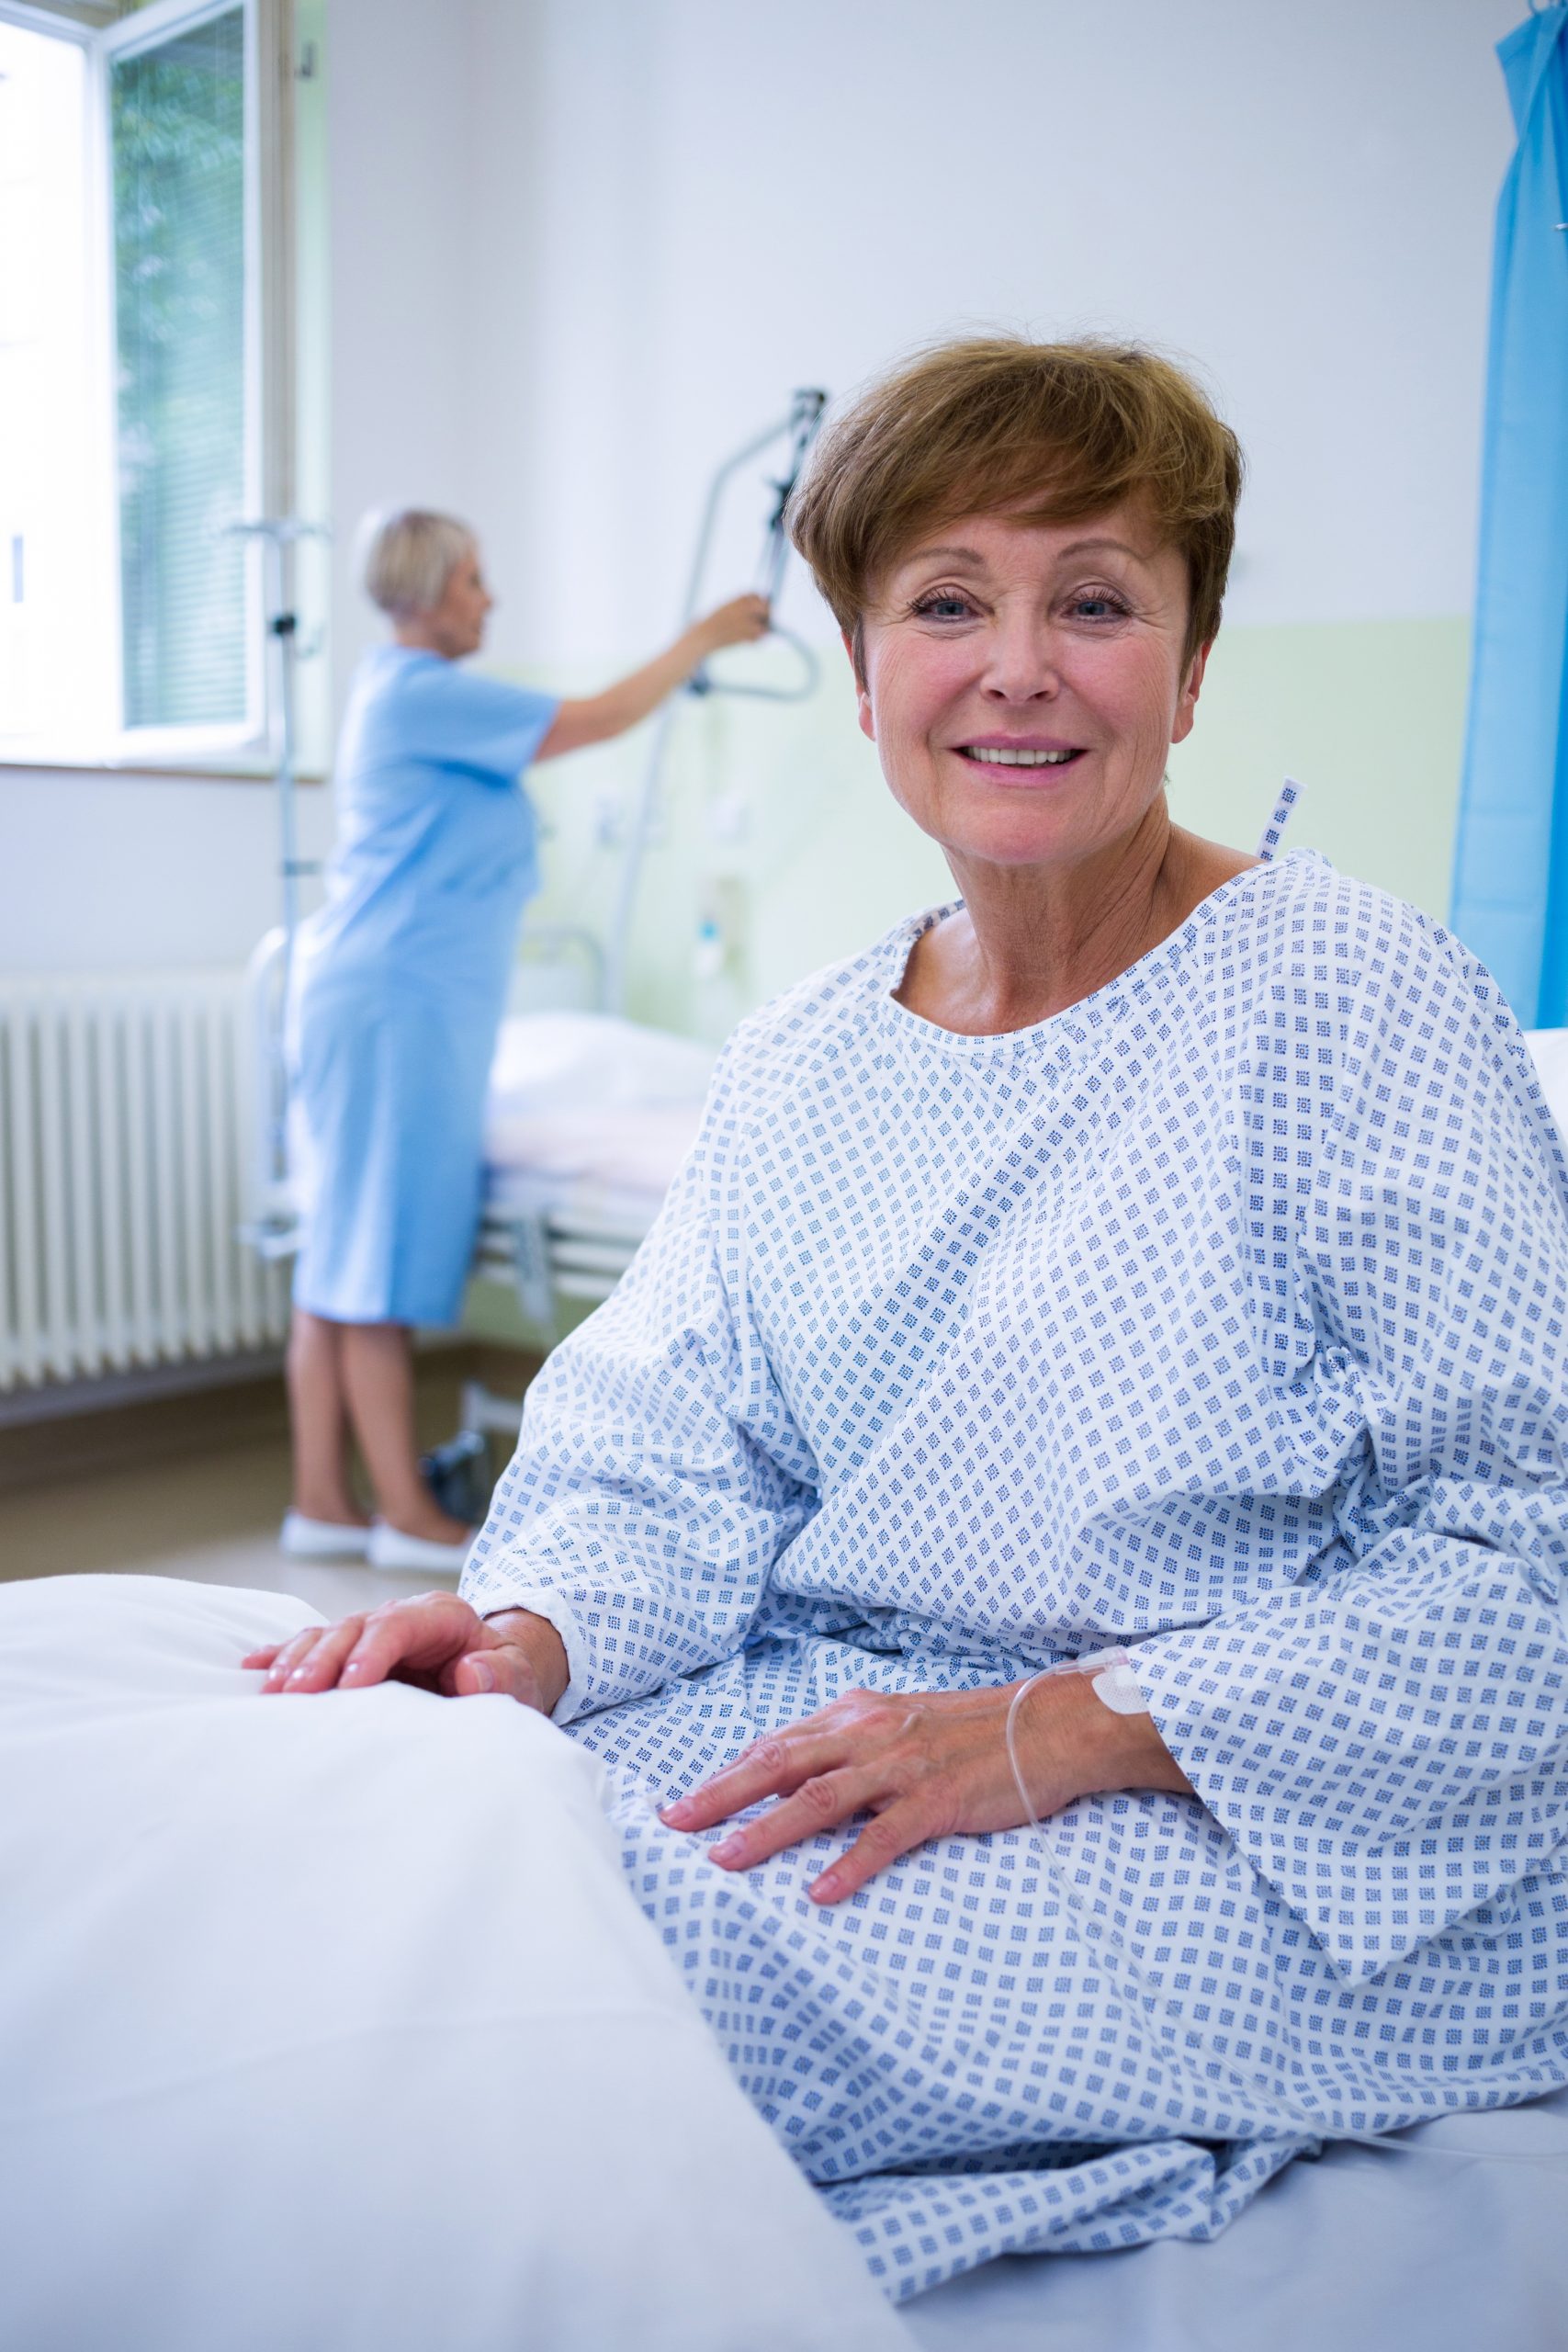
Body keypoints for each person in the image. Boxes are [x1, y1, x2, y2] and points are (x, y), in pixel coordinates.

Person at [249, 339, 1568, 2287]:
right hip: (840, 1721)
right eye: (946, 599)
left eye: (1093, 599)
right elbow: (665, 1457)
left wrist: (1050, 1730)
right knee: (375, 1845)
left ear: (1189, 667)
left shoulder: (1353, 999)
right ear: (865, 672)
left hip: (1243, 1805)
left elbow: (1524, 1575)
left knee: (557, 2015)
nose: (1016, 663)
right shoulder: (798, 1061)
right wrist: (529, 1631)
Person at [283, 511, 768, 1570]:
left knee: (337, 1260)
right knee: (372, 1262)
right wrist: (701, 639)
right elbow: (589, 719)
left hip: (374, 992)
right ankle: (405, 1513)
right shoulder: (423, 690)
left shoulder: (399, 693)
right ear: (425, 588)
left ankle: (324, 1501)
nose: (487, 600)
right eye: (473, 580)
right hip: (395, 998)